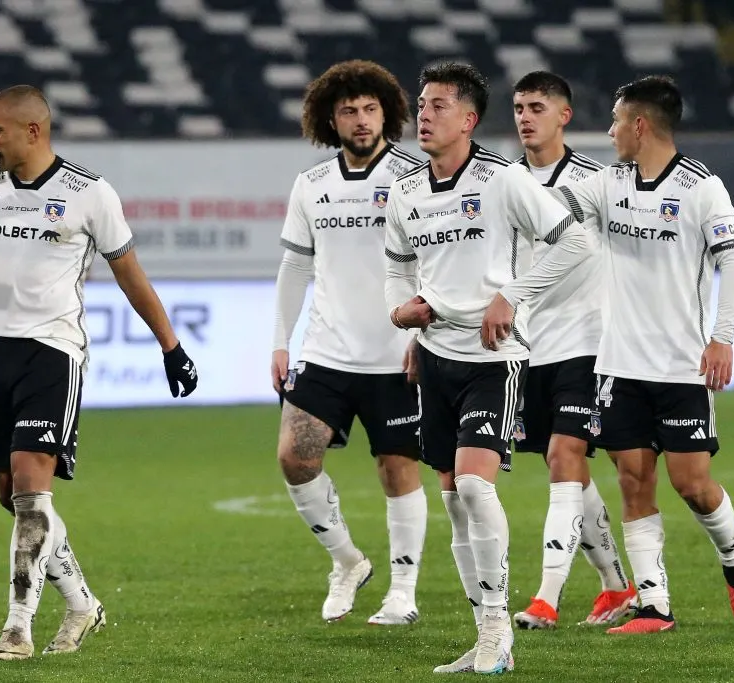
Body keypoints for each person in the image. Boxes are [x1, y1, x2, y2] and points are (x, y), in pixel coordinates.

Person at [0, 85, 198, 661]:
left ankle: (18, 628)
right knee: (10, 493)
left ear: (32, 131)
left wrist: (170, 346)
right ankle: (82, 603)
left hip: (53, 351)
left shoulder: (88, 193)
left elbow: (130, 274)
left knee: (31, 486)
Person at [384, 62, 594, 673]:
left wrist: (514, 295)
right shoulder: (405, 191)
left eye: (439, 105)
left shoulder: (502, 181)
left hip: (494, 358)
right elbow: (398, 265)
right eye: (422, 104)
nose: (424, 115)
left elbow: (574, 242)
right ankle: (482, 635)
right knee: (452, 498)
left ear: (470, 120)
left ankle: (500, 627)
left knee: (476, 486)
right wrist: (400, 311)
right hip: (437, 357)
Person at [553, 75, 734, 634]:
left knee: (692, 483)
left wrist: (723, 336)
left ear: (640, 125)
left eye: (618, 120)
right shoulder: (607, 183)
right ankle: (655, 606)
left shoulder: (701, 188)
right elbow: (552, 208)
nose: (612, 130)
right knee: (633, 482)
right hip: (618, 364)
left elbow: (733, 263)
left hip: (680, 364)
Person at [271, 60, 427, 625]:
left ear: (387, 112)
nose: (360, 120)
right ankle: (347, 561)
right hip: (328, 351)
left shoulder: (416, 177)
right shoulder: (311, 185)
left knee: (397, 469)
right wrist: (280, 343)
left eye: (369, 109)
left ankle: (403, 592)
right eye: (348, 111)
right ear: (328, 120)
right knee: (294, 457)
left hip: (397, 355)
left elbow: (437, 261)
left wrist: (427, 333)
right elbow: (294, 266)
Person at [507, 71, 634, 631]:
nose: (525, 117)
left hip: (588, 341)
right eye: (517, 107)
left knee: (564, 457)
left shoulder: (599, 181)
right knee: (568, 469)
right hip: (527, 347)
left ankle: (547, 597)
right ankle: (615, 586)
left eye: (537, 106)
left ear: (565, 115)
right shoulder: (502, 182)